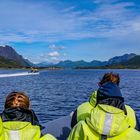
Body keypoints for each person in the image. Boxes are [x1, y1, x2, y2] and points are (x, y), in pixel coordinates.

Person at [67, 72, 140, 140]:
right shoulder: (130, 112)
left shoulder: (81, 109)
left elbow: (73, 130)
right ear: (117, 87)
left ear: (99, 85)